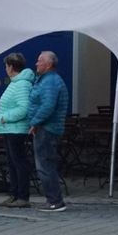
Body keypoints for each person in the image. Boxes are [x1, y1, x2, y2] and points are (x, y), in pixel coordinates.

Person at [27, 50, 70, 212]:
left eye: (40, 61)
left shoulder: (50, 82)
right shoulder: (47, 80)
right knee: (46, 164)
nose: (36, 63)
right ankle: (54, 200)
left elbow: (48, 105)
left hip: (46, 128)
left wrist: (35, 122)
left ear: (49, 64)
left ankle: (55, 201)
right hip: (47, 127)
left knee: (45, 166)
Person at [0, 53, 36, 209]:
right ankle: (14, 194)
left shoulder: (22, 84)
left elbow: (24, 108)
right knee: (12, 163)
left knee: (19, 162)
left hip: (16, 129)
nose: (5, 69)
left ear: (11, 67)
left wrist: (6, 117)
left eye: (6, 66)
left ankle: (22, 196)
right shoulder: (15, 83)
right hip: (10, 129)